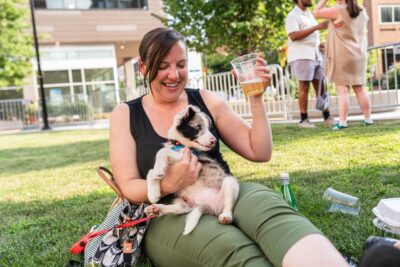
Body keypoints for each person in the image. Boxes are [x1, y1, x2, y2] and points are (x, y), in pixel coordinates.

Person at [109, 27, 348, 267]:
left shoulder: (205, 99)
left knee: (275, 216)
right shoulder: (127, 114)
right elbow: (128, 185)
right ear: (142, 67)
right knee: (230, 247)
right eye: (162, 66)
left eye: (181, 64)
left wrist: (256, 98)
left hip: (224, 190)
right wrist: (168, 183)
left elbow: (260, 151)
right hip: (168, 211)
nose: (174, 75)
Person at [313, 0, 373, 130]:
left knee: (342, 89)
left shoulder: (338, 10)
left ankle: (342, 122)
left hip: (343, 55)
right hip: (359, 55)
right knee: (359, 88)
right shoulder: (362, 11)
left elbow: (315, 13)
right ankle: (368, 119)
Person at [285, 0, 334, 128]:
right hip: (302, 55)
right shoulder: (292, 16)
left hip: (316, 54)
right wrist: (316, 27)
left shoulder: (309, 15)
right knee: (304, 86)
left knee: (320, 86)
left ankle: (327, 116)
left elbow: (312, 36)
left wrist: (320, 44)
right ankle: (304, 120)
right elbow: (293, 35)